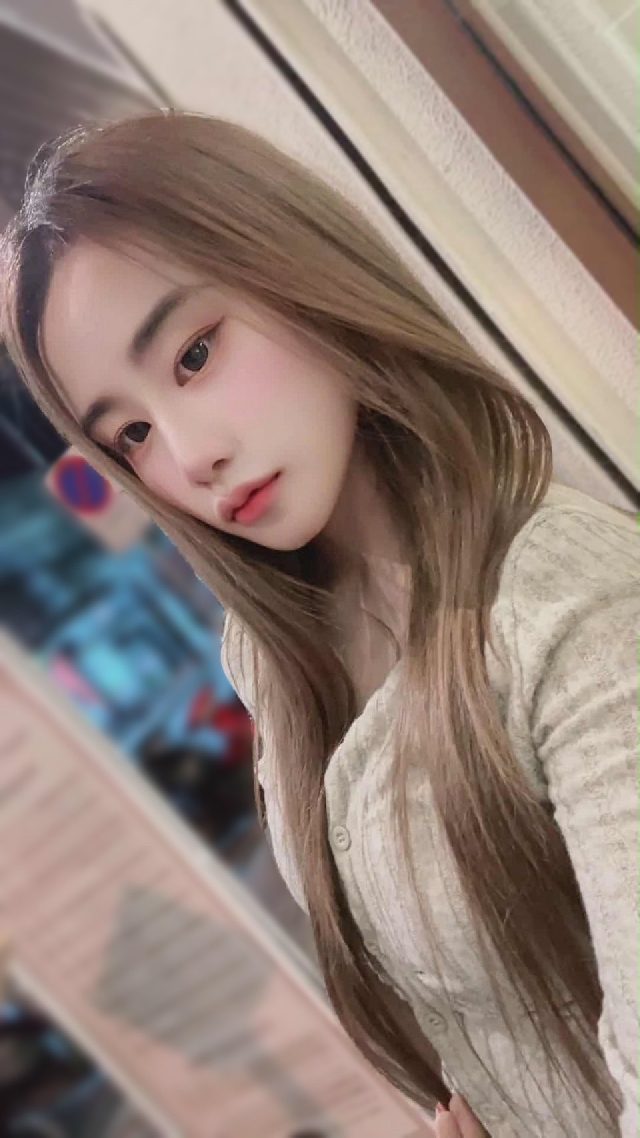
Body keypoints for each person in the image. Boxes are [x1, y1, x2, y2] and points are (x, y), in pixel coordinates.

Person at [0, 109, 637, 1138]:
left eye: (194, 353)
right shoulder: (273, 651)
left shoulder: (569, 609)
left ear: (293, 267)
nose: (190, 455)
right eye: (132, 432)